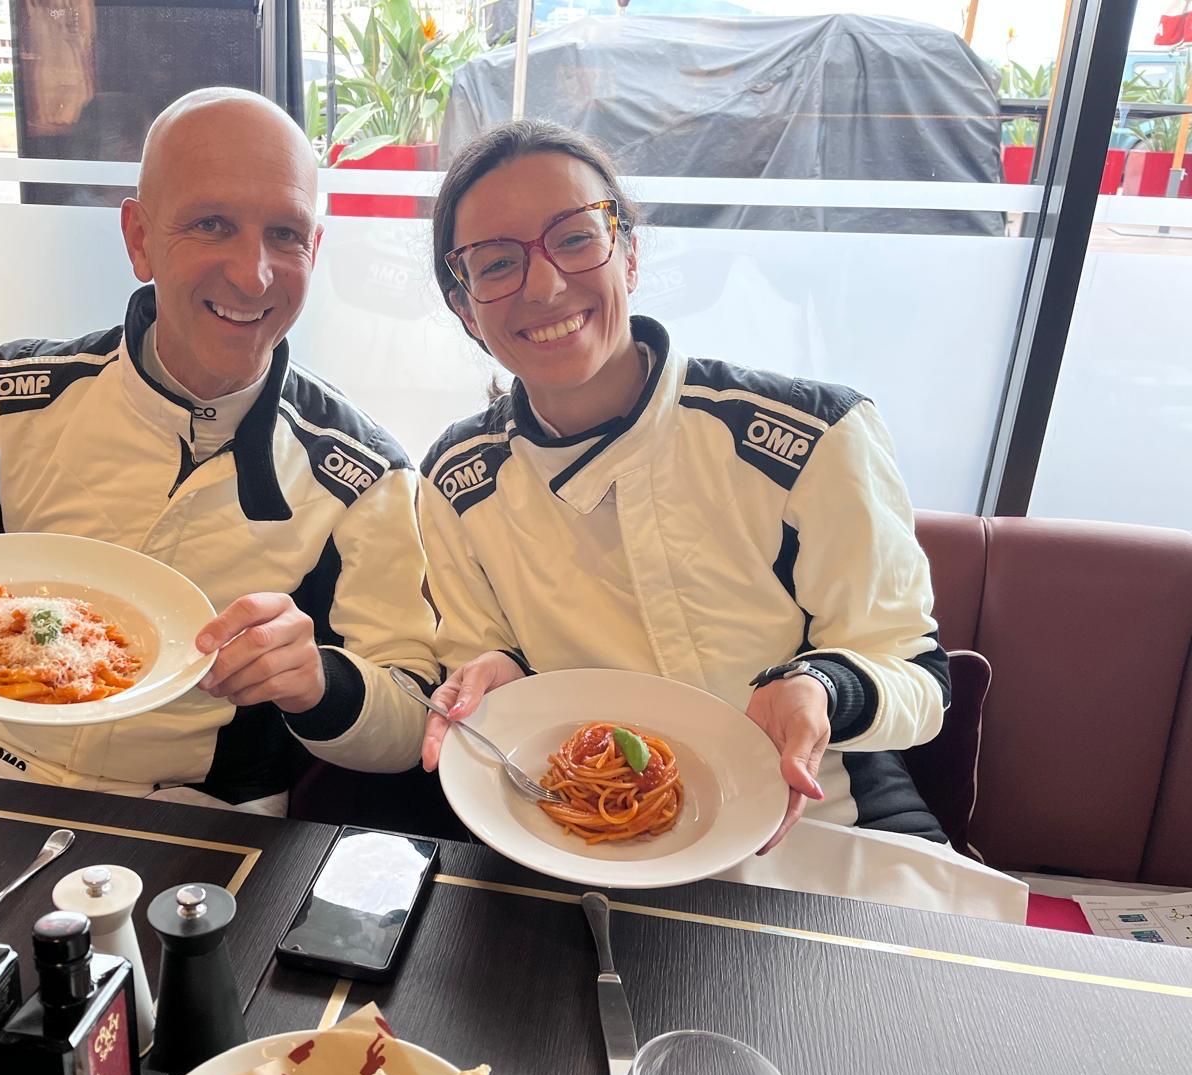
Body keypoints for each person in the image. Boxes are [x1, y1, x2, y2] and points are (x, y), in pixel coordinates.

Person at [416, 121, 1025, 915]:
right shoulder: (456, 479)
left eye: (575, 238)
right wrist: (492, 674)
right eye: (497, 263)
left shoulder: (811, 436)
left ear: (629, 254)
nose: (545, 285)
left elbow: (919, 677)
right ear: (465, 308)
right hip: (577, 844)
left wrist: (822, 688)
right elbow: (479, 650)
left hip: (819, 827)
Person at [0, 89, 436, 814]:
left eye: (285, 234)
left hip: (210, 813)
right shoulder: (18, 393)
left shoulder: (365, 472)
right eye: (211, 224)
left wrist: (318, 682)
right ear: (139, 239)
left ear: (315, 249)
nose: (253, 274)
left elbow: (412, 719)